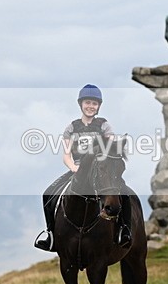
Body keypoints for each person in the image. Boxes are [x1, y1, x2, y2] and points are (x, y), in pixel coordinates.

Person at [34, 84, 131, 251]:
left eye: (94, 103)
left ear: (98, 106)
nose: (90, 106)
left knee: (125, 194)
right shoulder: (72, 127)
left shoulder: (104, 125)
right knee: (48, 194)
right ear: (81, 104)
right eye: (87, 102)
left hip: (101, 171)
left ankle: (124, 230)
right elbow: (66, 155)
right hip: (78, 170)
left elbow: (109, 147)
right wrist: (73, 167)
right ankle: (50, 234)